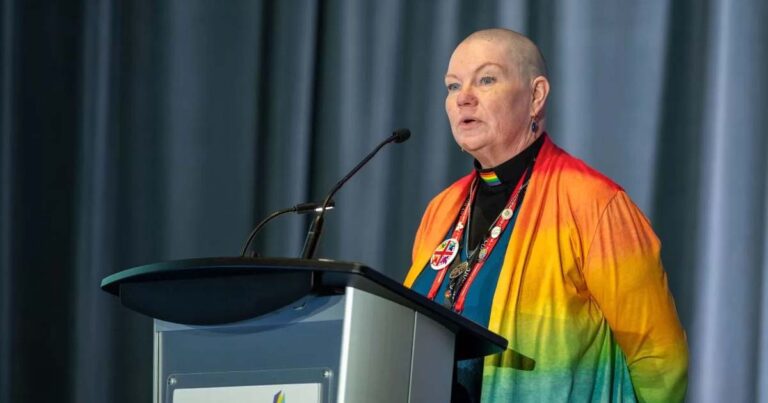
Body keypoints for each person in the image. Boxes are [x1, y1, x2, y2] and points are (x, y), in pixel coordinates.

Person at [404, 28, 688, 402]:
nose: (463, 99)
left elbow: (661, 359)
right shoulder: (441, 210)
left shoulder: (594, 202)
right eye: (453, 86)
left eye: (486, 79)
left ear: (536, 95)